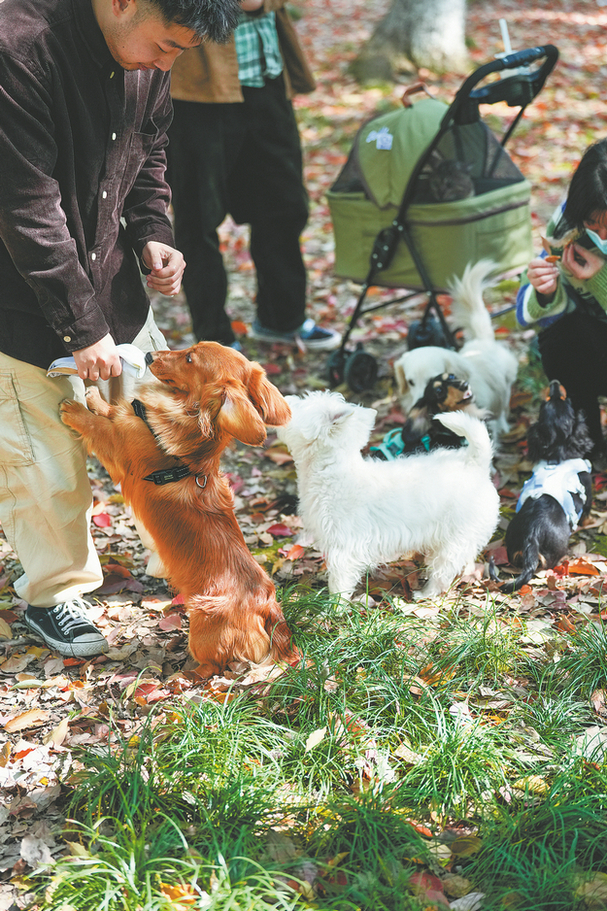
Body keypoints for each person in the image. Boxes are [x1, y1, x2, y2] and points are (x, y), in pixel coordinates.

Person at [0, 0, 241, 659]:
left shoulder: (149, 56)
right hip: (17, 302)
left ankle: (183, 554)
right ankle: (53, 593)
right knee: (43, 462)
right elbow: (26, 208)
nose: (166, 64)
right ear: (122, 2)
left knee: (162, 432)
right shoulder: (19, 49)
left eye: (179, 53)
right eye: (164, 46)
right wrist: (82, 329)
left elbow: (149, 149)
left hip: (114, 290)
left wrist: (153, 232)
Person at [167, 0, 340, 351]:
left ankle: (282, 319)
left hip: (266, 78)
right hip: (198, 90)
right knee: (198, 217)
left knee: (284, 206)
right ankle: (215, 341)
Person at [517, 138, 607, 463]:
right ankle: (586, 440)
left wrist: (599, 279)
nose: (602, 236)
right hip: (595, 344)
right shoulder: (569, 225)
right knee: (558, 335)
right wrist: (545, 291)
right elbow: (527, 316)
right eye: (593, 225)